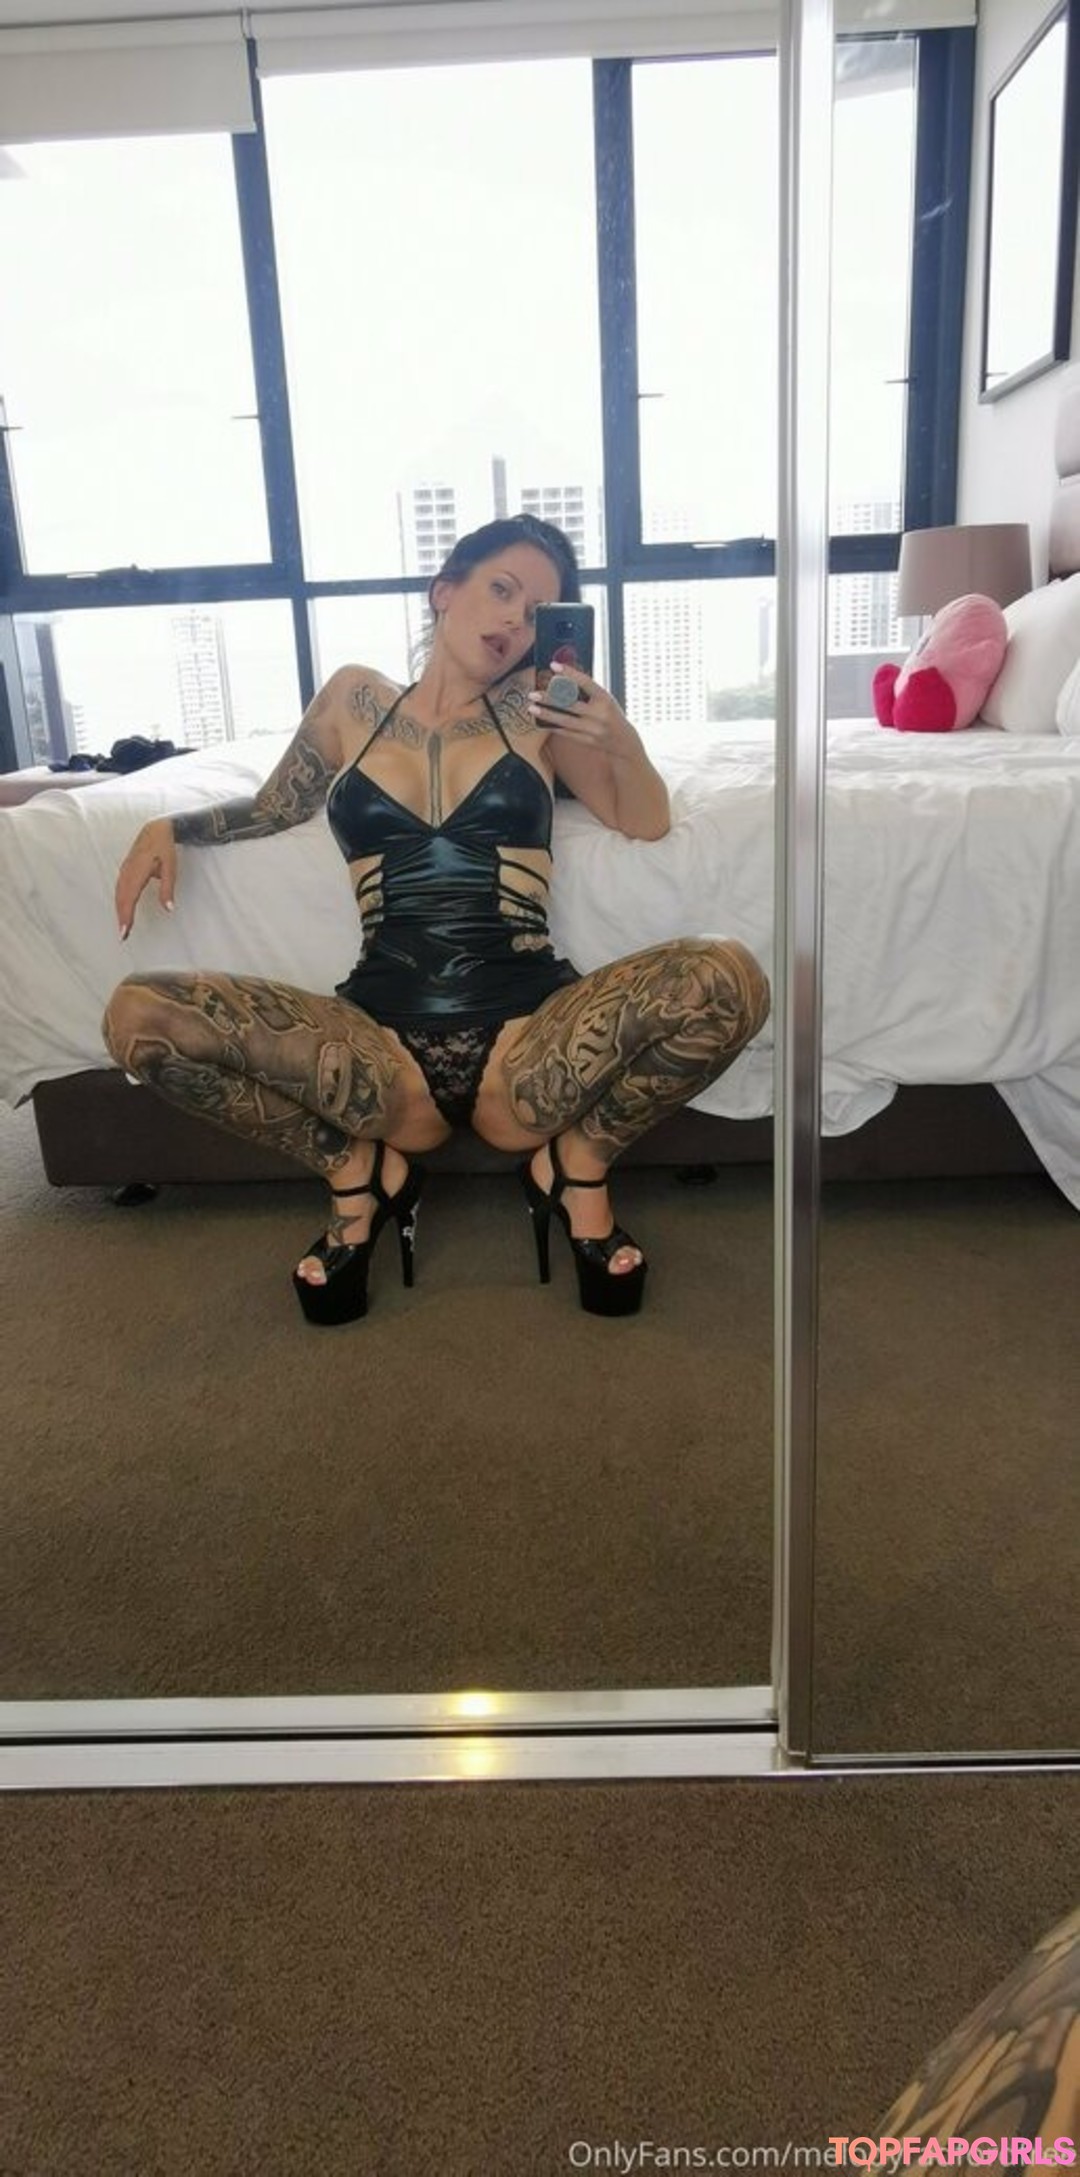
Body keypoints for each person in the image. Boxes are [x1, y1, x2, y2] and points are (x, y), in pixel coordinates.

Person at [103, 513, 769, 1325]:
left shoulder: (540, 710)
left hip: (529, 1040)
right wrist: (172, 825)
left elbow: (646, 820)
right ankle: (360, 1174)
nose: (514, 619)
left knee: (729, 976)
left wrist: (621, 739)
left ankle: (576, 1170)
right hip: (380, 1048)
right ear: (444, 590)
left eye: (536, 611)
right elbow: (277, 804)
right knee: (137, 1016)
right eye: (501, 589)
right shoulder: (353, 698)